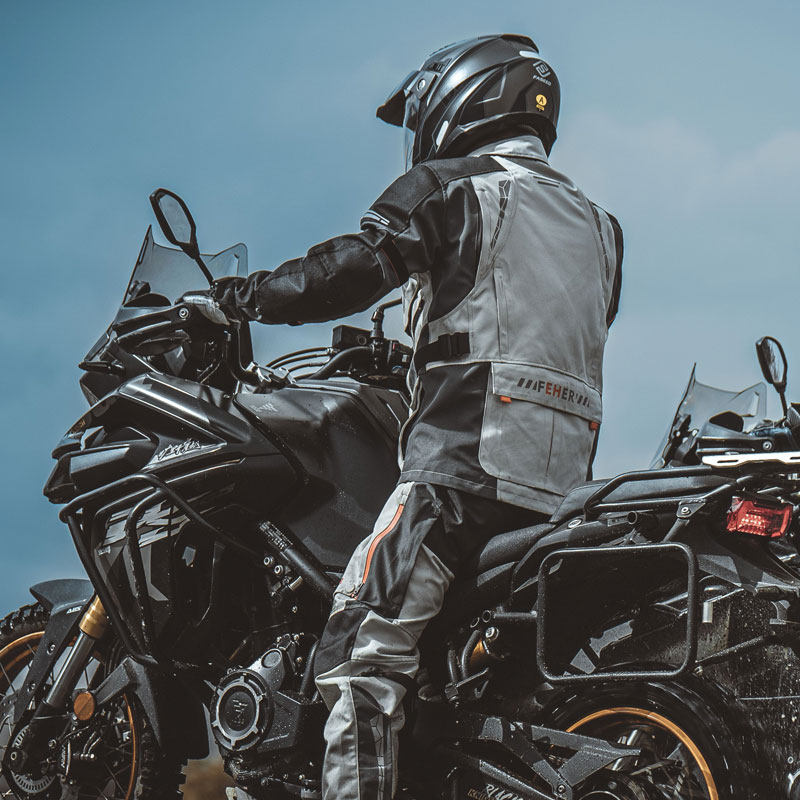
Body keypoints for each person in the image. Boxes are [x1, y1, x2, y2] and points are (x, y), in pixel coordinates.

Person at [214, 34, 623, 800]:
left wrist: (243, 298)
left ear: (460, 100)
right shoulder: (602, 228)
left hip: (462, 475)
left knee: (356, 653)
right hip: (563, 493)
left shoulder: (450, 188)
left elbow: (346, 273)